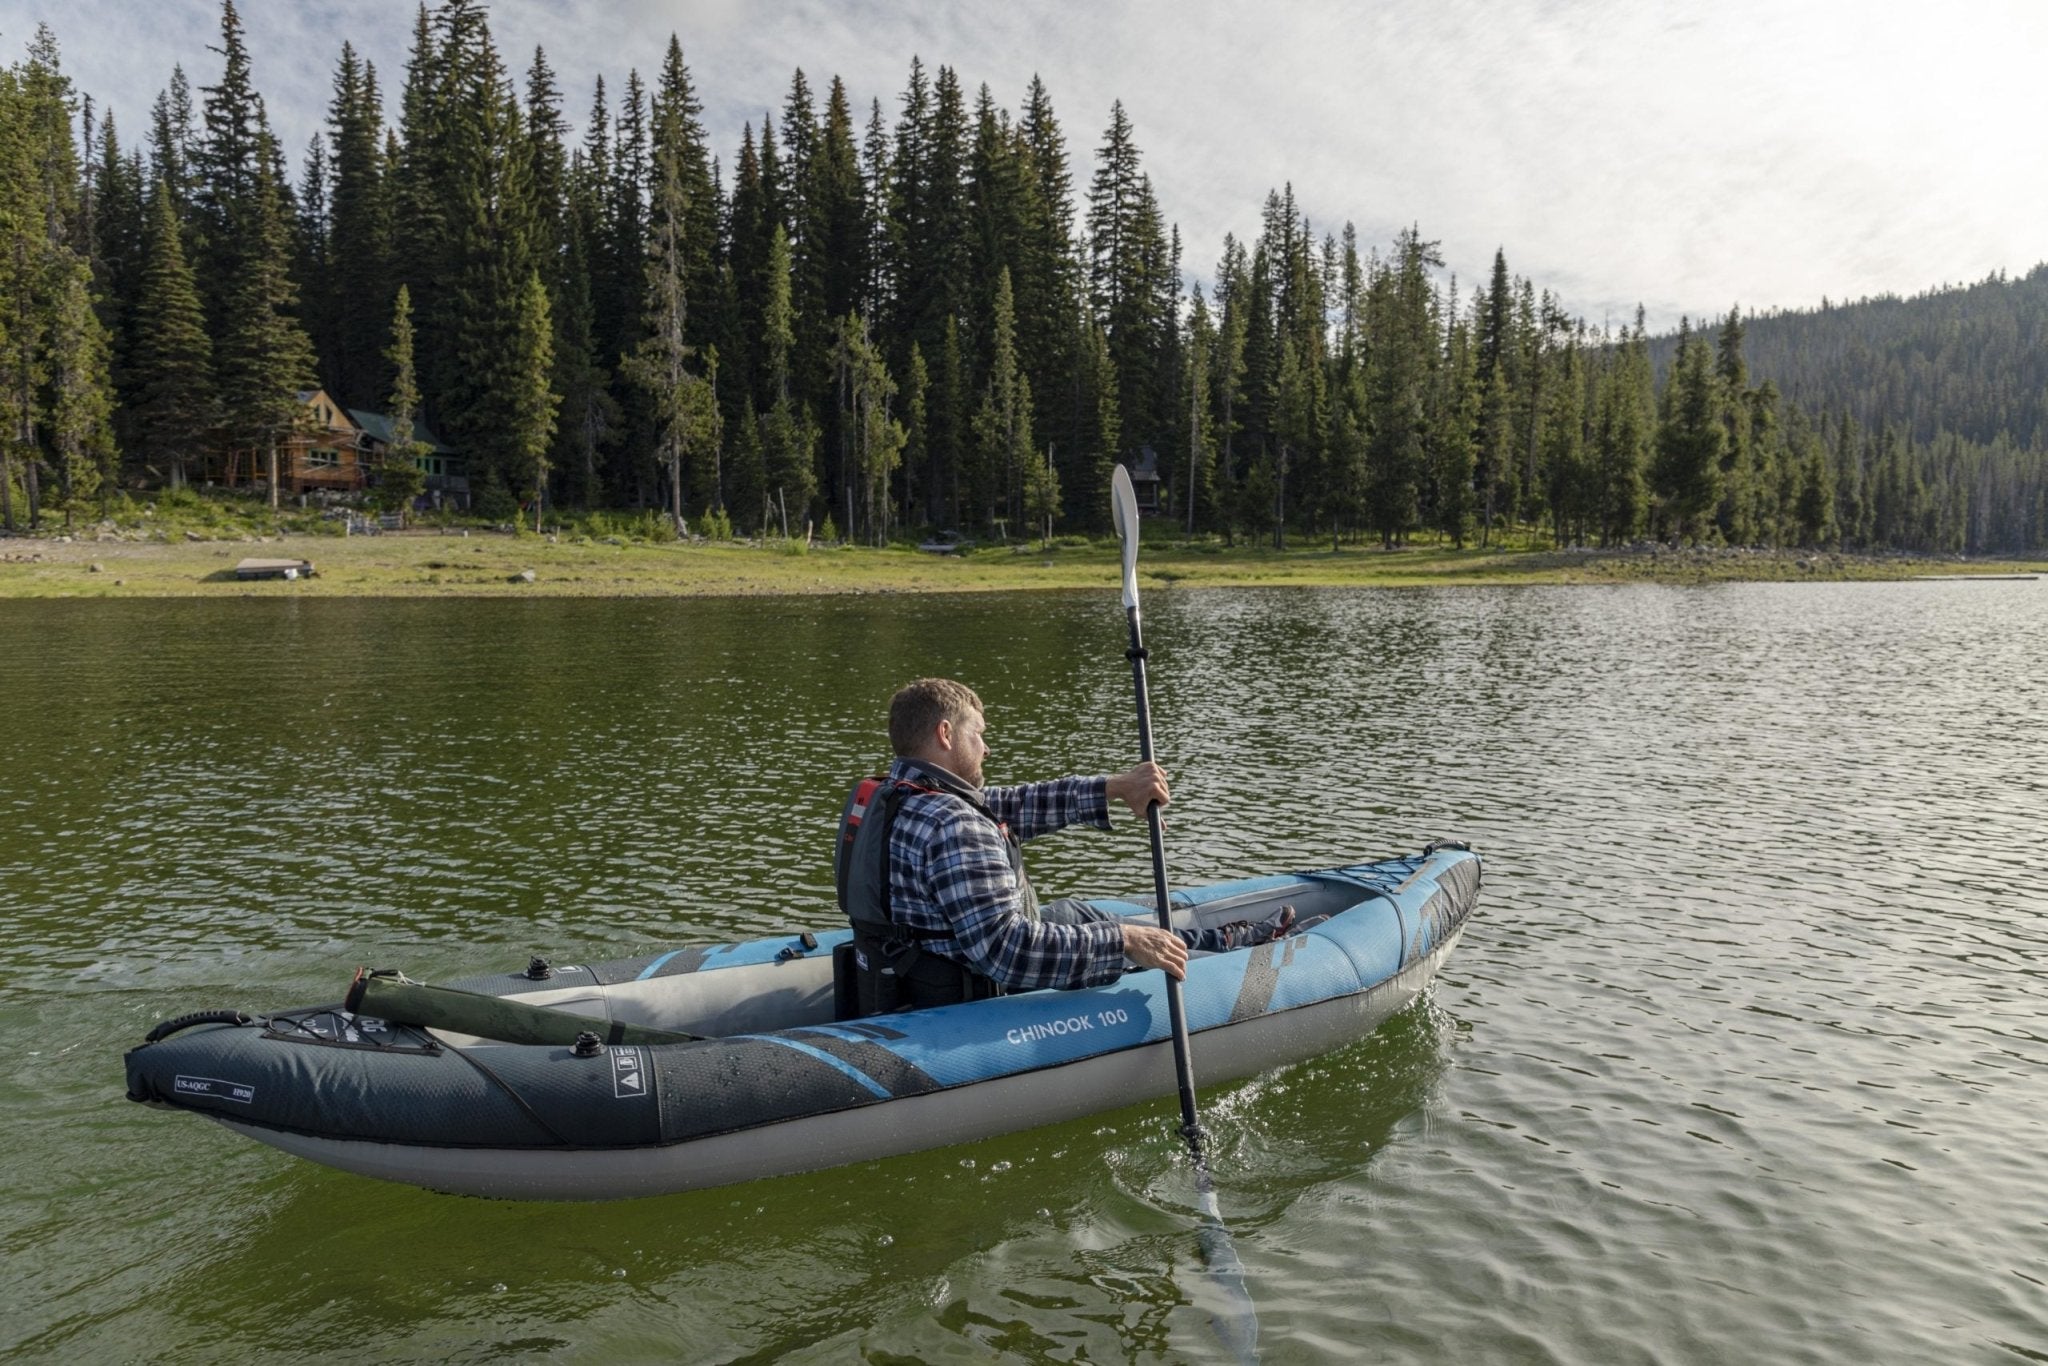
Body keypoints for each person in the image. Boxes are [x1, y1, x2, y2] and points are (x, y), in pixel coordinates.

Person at [834, 677, 1294, 1014]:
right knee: (1114, 935)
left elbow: (1006, 805)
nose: (987, 748)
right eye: (979, 733)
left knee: (1077, 913)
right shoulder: (953, 823)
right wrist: (1124, 941)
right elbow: (1007, 952)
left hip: (905, 971)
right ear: (945, 735)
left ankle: (1210, 940)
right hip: (968, 992)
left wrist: (1116, 787)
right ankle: (1224, 949)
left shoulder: (891, 796)